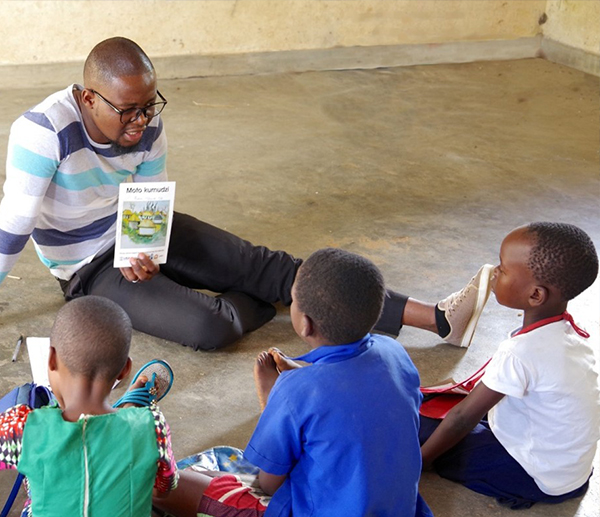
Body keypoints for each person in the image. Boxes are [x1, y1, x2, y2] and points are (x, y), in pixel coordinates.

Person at [0, 36, 491, 351]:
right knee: (210, 328)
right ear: (89, 97)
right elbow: (14, 225)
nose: (143, 121)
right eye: (129, 110)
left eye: (150, 105)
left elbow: (148, 197)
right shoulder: (42, 133)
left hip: (137, 229)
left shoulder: (148, 125)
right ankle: (281, 298)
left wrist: (142, 247)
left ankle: (438, 320)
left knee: (265, 264)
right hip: (87, 266)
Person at [154, 248, 441, 517]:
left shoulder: (297, 391)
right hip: (392, 516)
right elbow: (352, 396)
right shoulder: (393, 352)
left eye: (291, 300)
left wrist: (276, 399)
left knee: (162, 483)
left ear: (304, 323)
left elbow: (266, 485)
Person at [0, 296, 178, 517]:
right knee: (131, 437)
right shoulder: (152, 426)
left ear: (51, 359)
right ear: (124, 369)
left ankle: (121, 406)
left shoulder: (23, 427)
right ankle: (132, 403)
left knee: (36, 499)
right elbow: (164, 488)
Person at [420, 222, 600, 509]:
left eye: (502, 269)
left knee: (421, 425)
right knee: (434, 404)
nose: (494, 272)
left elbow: (463, 418)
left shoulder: (523, 352)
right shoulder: (567, 336)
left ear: (535, 296)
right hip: (568, 473)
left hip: (533, 477)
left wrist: (422, 462)